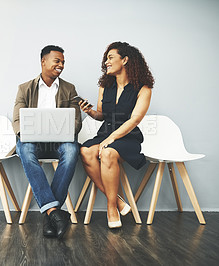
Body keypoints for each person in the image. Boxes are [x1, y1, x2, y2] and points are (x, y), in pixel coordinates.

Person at [79, 41, 154, 229]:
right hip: (105, 133)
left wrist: (111, 139)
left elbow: (134, 120)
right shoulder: (105, 86)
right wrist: (90, 112)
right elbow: (102, 115)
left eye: (110, 57)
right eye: (106, 58)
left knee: (108, 152)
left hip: (128, 138)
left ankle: (111, 207)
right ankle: (119, 201)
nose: (106, 62)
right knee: (86, 151)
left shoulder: (143, 89)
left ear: (125, 59)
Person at [13, 45, 82, 238]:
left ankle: (50, 214)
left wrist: (67, 130)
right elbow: (17, 120)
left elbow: (77, 121)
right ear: (43, 61)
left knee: (71, 151)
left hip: (59, 141)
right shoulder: (25, 88)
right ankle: (55, 214)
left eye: (63, 62)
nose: (61, 65)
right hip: (33, 141)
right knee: (24, 149)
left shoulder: (69, 89)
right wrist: (25, 133)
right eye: (57, 61)